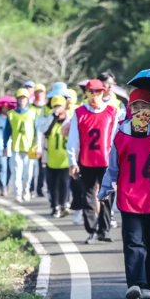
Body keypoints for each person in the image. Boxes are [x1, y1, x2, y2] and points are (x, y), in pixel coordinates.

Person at [99, 88, 150, 299]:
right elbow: (113, 166)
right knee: (133, 242)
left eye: (144, 106)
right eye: (135, 106)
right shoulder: (121, 132)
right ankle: (134, 283)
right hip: (130, 196)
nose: (140, 110)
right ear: (129, 109)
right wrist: (106, 188)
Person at [67, 79, 119, 244]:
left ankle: (104, 230)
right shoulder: (80, 112)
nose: (94, 95)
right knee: (88, 196)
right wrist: (72, 161)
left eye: (98, 92)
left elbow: (115, 138)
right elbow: (73, 138)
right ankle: (92, 230)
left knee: (107, 196)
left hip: (106, 161)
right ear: (86, 93)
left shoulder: (112, 112)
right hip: (86, 161)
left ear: (103, 92)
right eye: (91, 92)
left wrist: (117, 161)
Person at [4, 88, 39, 202]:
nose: (22, 100)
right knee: (16, 172)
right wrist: (5, 146)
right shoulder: (11, 114)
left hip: (30, 148)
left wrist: (37, 144)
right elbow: (6, 132)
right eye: (20, 98)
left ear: (28, 99)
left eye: (24, 98)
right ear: (18, 100)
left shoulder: (33, 113)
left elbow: (37, 129)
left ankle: (26, 190)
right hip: (16, 147)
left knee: (29, 173)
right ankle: (18, 193)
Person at [42, 94, 71, 217]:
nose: (57, 108)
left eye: (59, 106)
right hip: (51, 158)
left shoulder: (70, 120)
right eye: (55, 106)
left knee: (64, 183)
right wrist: (54, 118)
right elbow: (44, 131)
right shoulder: (49, 118)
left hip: (65, 158)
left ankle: (63, 204)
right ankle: (55, 206)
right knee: (52, 185)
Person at [63, 89, 84, 225]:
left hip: (90, 155)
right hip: (75, 155)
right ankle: (77, 210)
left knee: (92, 188)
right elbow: (64, 131)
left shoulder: (81, 109)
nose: (67, 100)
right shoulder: (69, 113)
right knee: (76, 185)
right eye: (65, 98)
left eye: (69, 97)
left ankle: (94, 215)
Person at [31, 84, 49, 197]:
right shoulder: (30, 107)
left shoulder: (47, 108)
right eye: (37, 92)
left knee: (43, 167)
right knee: (32, 167)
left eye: (41, 92)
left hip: (44, 141)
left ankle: (40, 188)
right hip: (32, 141)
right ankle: (31, 188)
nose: (39, 94)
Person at [0, 102, 13, 196]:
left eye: (7, 107)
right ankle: (3, 187)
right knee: (2, 168)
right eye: (3, 108)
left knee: (10, 169)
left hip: (11, 146)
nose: (5, 109)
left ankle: (7, 184)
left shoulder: (13, 117)